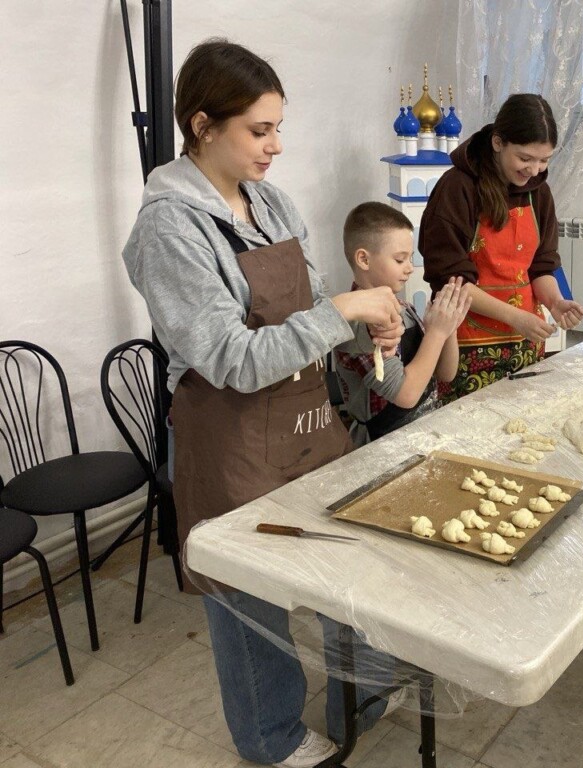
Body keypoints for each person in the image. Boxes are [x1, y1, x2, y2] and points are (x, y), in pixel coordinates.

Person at [121, 40, 404, 767]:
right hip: (231, 435)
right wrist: (340, 311)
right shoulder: (170, 228)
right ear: (202, 125)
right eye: (260, 130)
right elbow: (232, 359)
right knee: (248, 596)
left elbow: (310, 301)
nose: (276, 145)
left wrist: (365, 322)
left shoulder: (270, 202)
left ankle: (360, 692)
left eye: (279, 127)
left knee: (346, 556)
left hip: (304, 418)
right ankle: (270, 735)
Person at [419, 93, 583, 401]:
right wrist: (515, 317)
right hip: (466, 345)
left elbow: (541, 266)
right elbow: (452, 283)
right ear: (498, 142)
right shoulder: (457, 188)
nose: (534, 170)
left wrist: (554, 302)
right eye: (525, 158)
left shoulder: (539, 193)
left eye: (544, 160)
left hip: (525, 339)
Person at [334, 202, 471, 446]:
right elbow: (406, 395)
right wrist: (436, 333)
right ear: (364, 259)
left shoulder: (404, 308)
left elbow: (445, 373)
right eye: (400, 260)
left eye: (410, 258)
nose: (410, 269)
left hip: (424, 432)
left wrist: (448, 327)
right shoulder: (358, 325)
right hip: (382, 445)